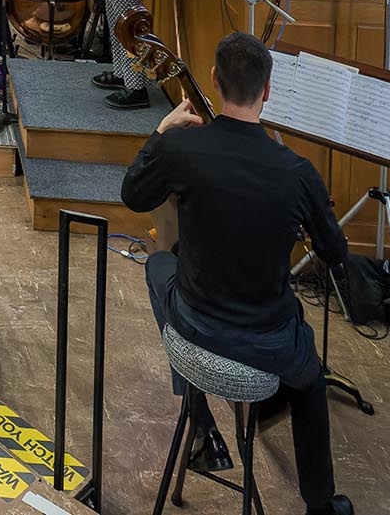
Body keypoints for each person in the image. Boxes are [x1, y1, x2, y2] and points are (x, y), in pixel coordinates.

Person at [122, 32, 355, 515]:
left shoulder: (183, 149)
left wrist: (162, 131)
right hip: (268, 344)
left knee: (159, 262)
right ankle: (320, 504)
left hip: (195, 327)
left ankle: (200, 415)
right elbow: (335, 254)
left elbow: (134, 195)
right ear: (267, 90)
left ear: (214, 80)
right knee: (311, 381)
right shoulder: (298, 173)